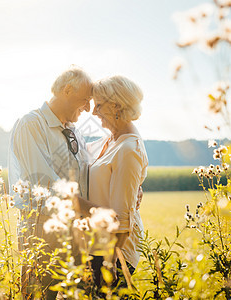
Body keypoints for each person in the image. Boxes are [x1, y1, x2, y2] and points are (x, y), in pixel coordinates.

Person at [8, 66, 93, 299]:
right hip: (41, 229)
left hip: (74, 231)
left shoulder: (74, 131)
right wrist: (92, 210)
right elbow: (45, 183)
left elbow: (88, 171)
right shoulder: (31, 125)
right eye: (85, 100)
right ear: (67, 90)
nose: (88, 108)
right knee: (42, 294)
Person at [75, 75, 148, 296]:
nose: (93, 112)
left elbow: (122, 217)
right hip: (97, 245)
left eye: (98, 105)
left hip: (115, 252)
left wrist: (110, 261)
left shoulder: (129, 149)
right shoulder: (112, 139)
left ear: (116, 105)